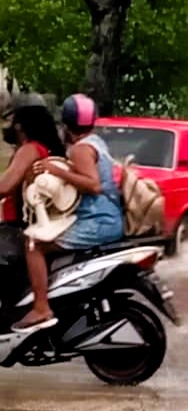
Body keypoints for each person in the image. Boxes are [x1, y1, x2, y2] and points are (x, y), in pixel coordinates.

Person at [15, 94, 125, 332]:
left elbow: (93, 184)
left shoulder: (79, 149)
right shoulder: (97, 143)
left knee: (33, 242)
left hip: (96, 221)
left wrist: (55, 170)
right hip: (108, 218)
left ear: (65, 124)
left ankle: (41, 307)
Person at [0, 93, 66, 226]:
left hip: (19, 222)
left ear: (19, 124)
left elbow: (4, 187)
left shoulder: (29, 150)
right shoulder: (44, 147)